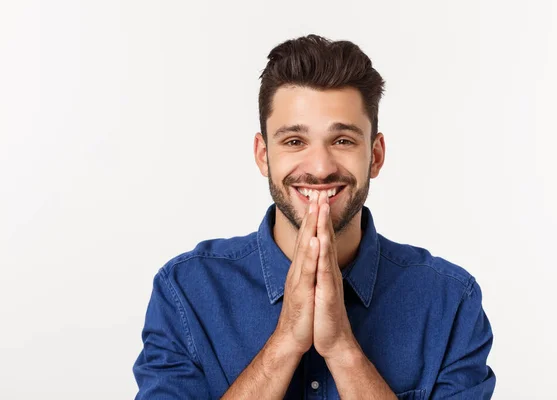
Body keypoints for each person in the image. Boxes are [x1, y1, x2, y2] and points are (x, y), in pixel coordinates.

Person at [133, 34, 496, 399]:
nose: (321, 169)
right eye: (294, 141)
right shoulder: (185, 292)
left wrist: (342, 348)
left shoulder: (451, 302)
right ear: (263, 155)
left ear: (376, 155)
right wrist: (286, 340)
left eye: (343, 141)